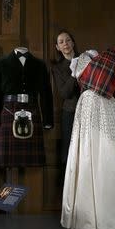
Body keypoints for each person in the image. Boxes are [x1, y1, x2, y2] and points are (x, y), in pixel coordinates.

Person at [61, 48, 115, 229]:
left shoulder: (109, 58)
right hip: (89, 106)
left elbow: (113, 87)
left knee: (111, 154)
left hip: (106, 106)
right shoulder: (83, 60)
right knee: (87, 154)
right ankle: (88, 219)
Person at [0, 47, 54, 167]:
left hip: (33, 109)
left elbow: (46, 94)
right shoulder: (0, 64)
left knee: (33, 161)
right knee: (5, 160)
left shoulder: (40, 65)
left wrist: (47, 121)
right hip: (7, 111)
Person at [50, 30, 80, 164]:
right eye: (61, 42)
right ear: (57, 47)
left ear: (73, 43)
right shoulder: (57, 68)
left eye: (68, 40)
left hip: (89, 110)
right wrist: (74, 73)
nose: (65, 44)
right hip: (70, 113)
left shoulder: (86, 60)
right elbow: (64, 93)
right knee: (68, 151)